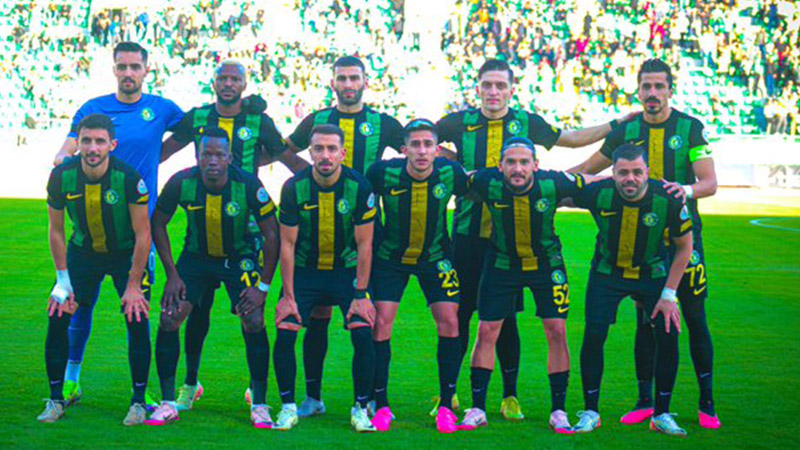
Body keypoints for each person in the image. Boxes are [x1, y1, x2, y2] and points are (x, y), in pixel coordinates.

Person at [435, 58, 629, 419]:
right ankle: (449, 394)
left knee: (504, 319)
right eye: (487, 85)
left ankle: (509, 396)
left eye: (500, 85)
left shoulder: (527, 123)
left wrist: (616, 124)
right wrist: (453, 159)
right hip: (469, 234)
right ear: (477, 88)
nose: (493, 92)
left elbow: (571, 138)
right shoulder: (457, 122)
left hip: (512, 243)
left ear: (511, 90)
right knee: (460, 316)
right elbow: (424, 144)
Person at [570, 58, 720, 429]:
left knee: (693, 315)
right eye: (646, 87)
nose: (652, 93)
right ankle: (645, 402)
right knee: (647, 320)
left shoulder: (690, 128)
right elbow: (587, 170)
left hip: (683, 237)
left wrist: (682, 190)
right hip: (638, 241)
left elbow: (709, 183)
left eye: (659, 86)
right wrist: (541, 180)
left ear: (670, 89)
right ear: (638, 91)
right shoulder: (627, 130)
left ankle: (707, 402)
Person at [158, 59, 306, 411]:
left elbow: (287, 158)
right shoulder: (197, 118)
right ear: (213, 83)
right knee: (196, 314)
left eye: (234, 78)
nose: (228, 83)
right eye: (222, 78)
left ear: (244, 84)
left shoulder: (258, 121)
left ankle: (258, 395)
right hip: (200, 240)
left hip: (245, 235)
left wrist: (320, 185)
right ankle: (188, 384)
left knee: (251, 315)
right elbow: (165, 149)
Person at [52, 42, 183, 407]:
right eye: (122, 67)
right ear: (114, 70)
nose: (128, 73)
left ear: (146, 70)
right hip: (92, 230)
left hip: (137, 234)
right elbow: (68, 146)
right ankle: (71, 381)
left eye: (134, 67)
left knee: (136, 310)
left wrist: (159, 154)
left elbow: (193, 129)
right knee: (78, 307)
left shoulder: (161, 108)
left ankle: (140, 391)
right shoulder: (93, 108)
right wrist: (62, 157)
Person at [283, 55, 404, 417]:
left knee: (367, 318)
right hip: (316, 237)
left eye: (354, 77)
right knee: (318, 319)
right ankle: (313, 398)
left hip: (362, 235)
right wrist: (306, 172)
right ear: (332, 82)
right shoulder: (317, 120)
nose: (348, 84)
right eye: (342, 78)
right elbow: (285, 147)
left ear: (365, 81)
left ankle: (373, 401)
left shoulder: (383, 123)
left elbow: (417, 150)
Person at [144, 128, 279, 428]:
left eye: (219, 154)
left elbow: (272, 234)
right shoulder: (181, 182)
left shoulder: (247, 185)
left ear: (230, 157)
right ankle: (169, 402)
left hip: (240, 258)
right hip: (196, 259)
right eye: (207, 154)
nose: (213, 160)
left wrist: (262, 287)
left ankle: (259, 402)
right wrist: (172, 274)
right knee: (169, 317)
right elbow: (158, 222)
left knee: (253, 319)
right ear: (197, 156)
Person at [458, 137, 592, 434]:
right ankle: (478, 408)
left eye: (523, 162)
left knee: (556, 330)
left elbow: (594, 182)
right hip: (502, 264)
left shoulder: (554, 182)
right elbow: (451, 177)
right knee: (487, 330)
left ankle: (558, 410)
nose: (517, 168)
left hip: (546, 264)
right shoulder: (486, 181)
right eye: (511, 162)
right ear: (500, 166)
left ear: (535, 165)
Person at [570, 144, 693, 437]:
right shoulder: (598, 192)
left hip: (653, 274)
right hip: (606, 273)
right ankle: (591, 412)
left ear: (648, 172)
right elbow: (556, 191)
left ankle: (661, 414)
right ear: (613, 173)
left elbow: (684, 247)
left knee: (668, 334)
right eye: (623, 172)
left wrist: (669, 295)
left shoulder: (668, 198)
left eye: (637, 172)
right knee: (594, 336)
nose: (630, 178)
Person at [41, 113, 152, 425]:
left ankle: (139, 401)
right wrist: (62, 280)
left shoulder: (128, 179)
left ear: (112, 145)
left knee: (137, 316)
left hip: (125, 255)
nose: (92, 148)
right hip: (83, 254)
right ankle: (56, 399)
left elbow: (143, 234)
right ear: (77, 143)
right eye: (86, 140)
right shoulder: (61, 176)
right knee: (58, 313)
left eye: (100, 141)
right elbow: (56, 230)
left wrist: (134, 285)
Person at [272, 124, 378, 432]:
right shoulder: (294, 187)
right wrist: (288, 296)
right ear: (310, 152)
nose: (325, 155)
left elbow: (365, 245)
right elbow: (287, 245)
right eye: (319, 149)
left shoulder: (359, 187)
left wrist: (361, 295)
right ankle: (293, 405)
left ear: (342, 153)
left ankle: (360, 408)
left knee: (362, 332)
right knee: (286, 329)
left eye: (332, 149)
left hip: (347, 271)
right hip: (306, 271)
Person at [364, 119, 468, 433]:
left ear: (437, 150)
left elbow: (477, 193)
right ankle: (380, 402)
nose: (422, 151)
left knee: (450, 321)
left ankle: (446, 404)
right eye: (415, 144)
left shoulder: (451, 173)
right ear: (404, 149)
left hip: (435, 258)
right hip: (390, 259)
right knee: (381, 323)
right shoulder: (382, 173)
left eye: (428, 145)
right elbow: (362, 203)